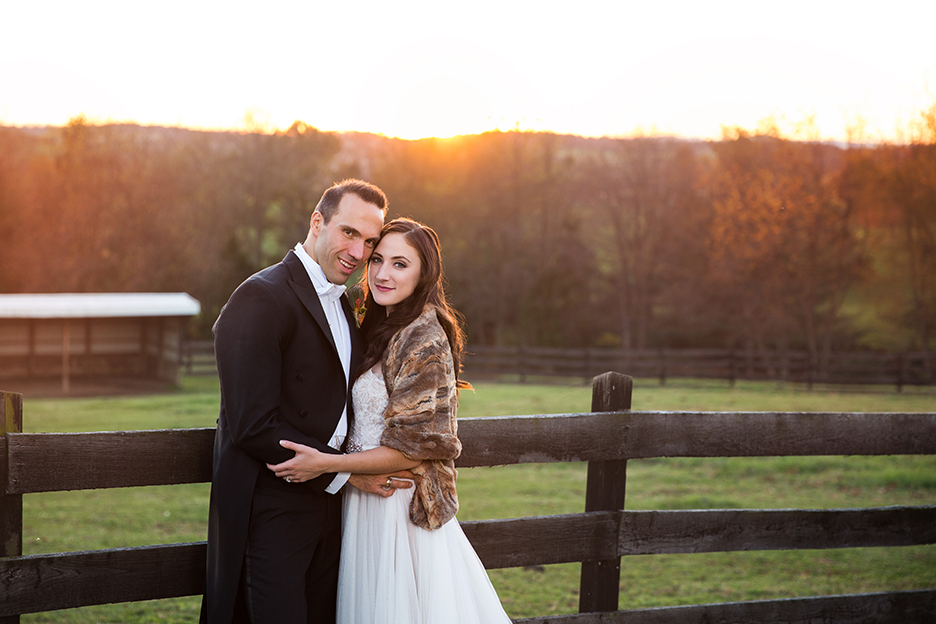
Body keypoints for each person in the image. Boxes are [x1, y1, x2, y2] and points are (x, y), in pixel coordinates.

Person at [268, 218, 512, 624]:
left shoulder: (424, 337)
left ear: (423, 274)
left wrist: (327, 464)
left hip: (398, 508)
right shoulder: (377, 324)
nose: (382, 273)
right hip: (364, 501)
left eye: (400, 264)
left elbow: (413, 448)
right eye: (377, 259)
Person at [201, 179, 412, 624]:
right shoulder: (261, 296)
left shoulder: (347, 303)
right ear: (318, 222)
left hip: (331, 512)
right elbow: (252, 424)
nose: (358, 253)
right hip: (271, 507)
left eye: (369, 241)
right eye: (349, 233)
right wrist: (342, 475)